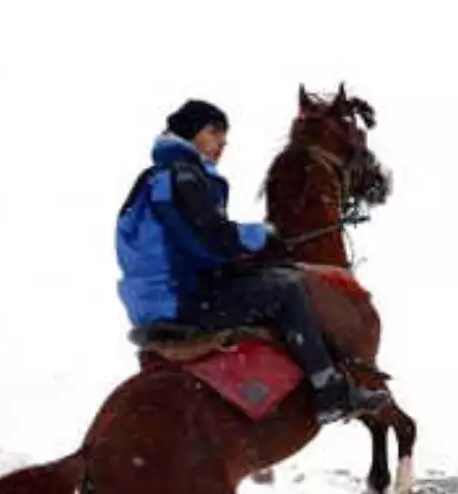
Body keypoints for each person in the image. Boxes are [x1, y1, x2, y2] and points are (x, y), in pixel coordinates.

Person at [115, 99, 391, 424]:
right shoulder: (183, 177)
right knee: (287, 287)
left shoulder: (154, 180)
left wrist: (241, 257)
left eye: (224, 135)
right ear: (191, 133)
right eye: (214, 132)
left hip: (159, 301)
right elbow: (210, 239)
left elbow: (185, 246)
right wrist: (260, 236)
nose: (223, 142)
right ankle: (328, 390)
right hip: (183, 301)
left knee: (268, 278)